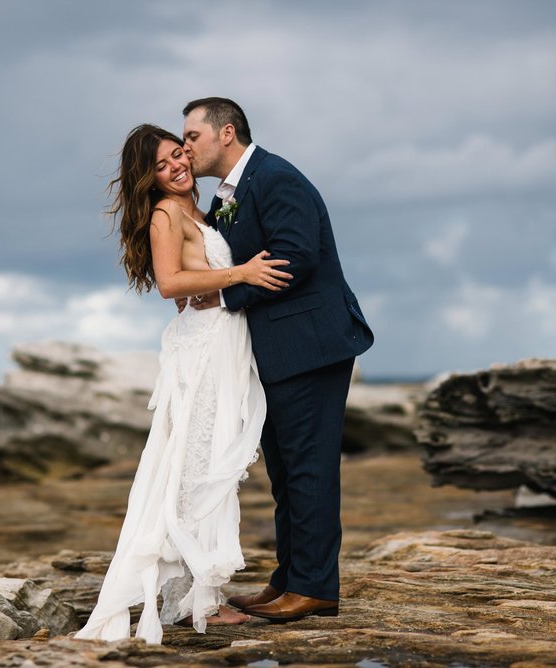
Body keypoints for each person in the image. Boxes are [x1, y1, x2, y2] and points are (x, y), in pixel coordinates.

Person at [74, 124, 293, 643]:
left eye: (179, 154)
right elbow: (171, 283)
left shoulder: (201, 210)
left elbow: (185, 281)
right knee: (199, 466)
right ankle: (202, 601)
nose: (176, 167)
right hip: (203, 348)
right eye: (162, 165)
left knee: (206, 462)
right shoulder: (167, 213)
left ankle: (196, 594)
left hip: (220, 341)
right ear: (147, 178)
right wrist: (239, 274)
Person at [182, 97, 374, 622]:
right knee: (287, 472)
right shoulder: (233, 192)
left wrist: (225, 295)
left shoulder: (274, 177)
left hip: (311, 346)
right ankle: (290, 578)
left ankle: (314, 588)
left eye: (192, 136)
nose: (185, 147)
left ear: (226, 133)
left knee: (308, 468)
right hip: (280, 352)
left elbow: (295, 255)